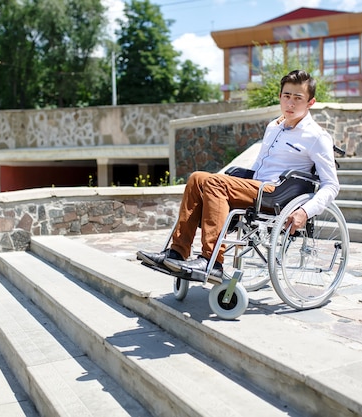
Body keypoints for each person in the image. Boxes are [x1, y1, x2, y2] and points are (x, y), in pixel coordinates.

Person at [137, 69, 340, 282]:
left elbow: (331, 185)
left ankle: (212, 261)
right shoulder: (274, 126)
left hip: (278, 194)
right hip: (256, 186)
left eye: (298, 98)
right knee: (197, 178)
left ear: (310, 102)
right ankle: (177, 253)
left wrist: (305, 212)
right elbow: (259, 166)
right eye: (286, 96)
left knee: (216, 183)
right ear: (280, 97)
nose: (290, 103)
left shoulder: (317, 137)